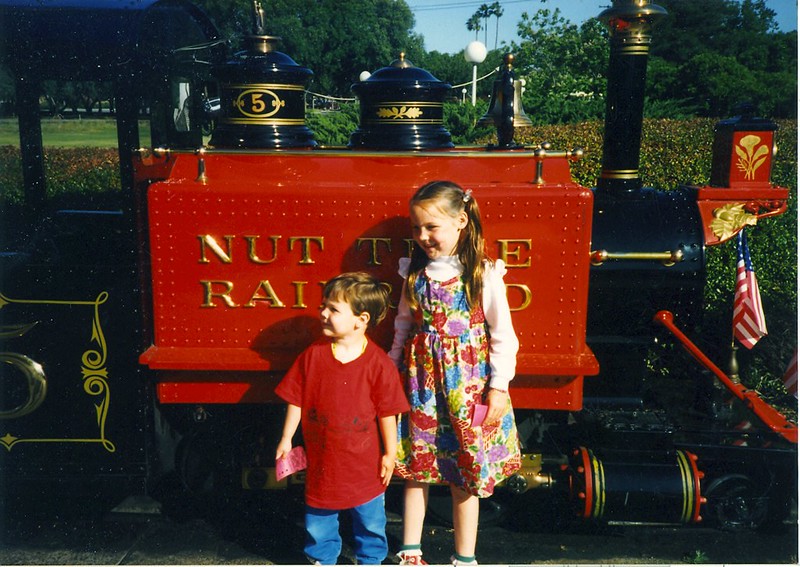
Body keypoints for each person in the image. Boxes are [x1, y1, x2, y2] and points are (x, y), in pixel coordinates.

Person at [389, 181, 522, 566]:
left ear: (461, 220)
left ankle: (464, 556)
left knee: (466, 473)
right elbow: (402, 324)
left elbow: (503, 337)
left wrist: (498, 388)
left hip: (467, 386)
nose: (423, 236)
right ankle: (410, 551)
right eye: (416, 228)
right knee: (418, 466)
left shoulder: (482, 275)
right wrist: (393, 366)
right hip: (421, 385)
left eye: (432, 227)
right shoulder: (414, 274)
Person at [275, 272, 410, 565]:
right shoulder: (313, 356)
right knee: (319, 517)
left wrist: (390, 453)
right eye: (323, 305)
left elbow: (389, 412)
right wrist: (286, 438)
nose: (323, 313)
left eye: (333, 309)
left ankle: (371, 560)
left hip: (365, 462)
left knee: (370, 519)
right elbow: (296, 399)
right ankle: (321, 559)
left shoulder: (378, 364)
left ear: (360, 319)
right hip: (324, 460)